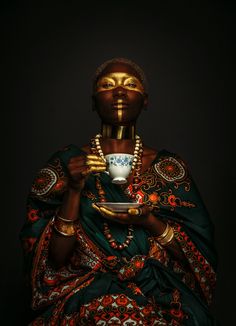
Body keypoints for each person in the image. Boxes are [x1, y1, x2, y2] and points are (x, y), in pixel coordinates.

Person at [20, 57, 217, 325]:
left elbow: (199, 255)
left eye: (130, 84)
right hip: (84, 291)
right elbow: (54, 261)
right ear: (93, 102)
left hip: (156, 290)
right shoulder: (67, 164)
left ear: (145, 100)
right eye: (108, 85)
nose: (120, 91)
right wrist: (75, 189)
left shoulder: (169, 168)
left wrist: (148, 220)